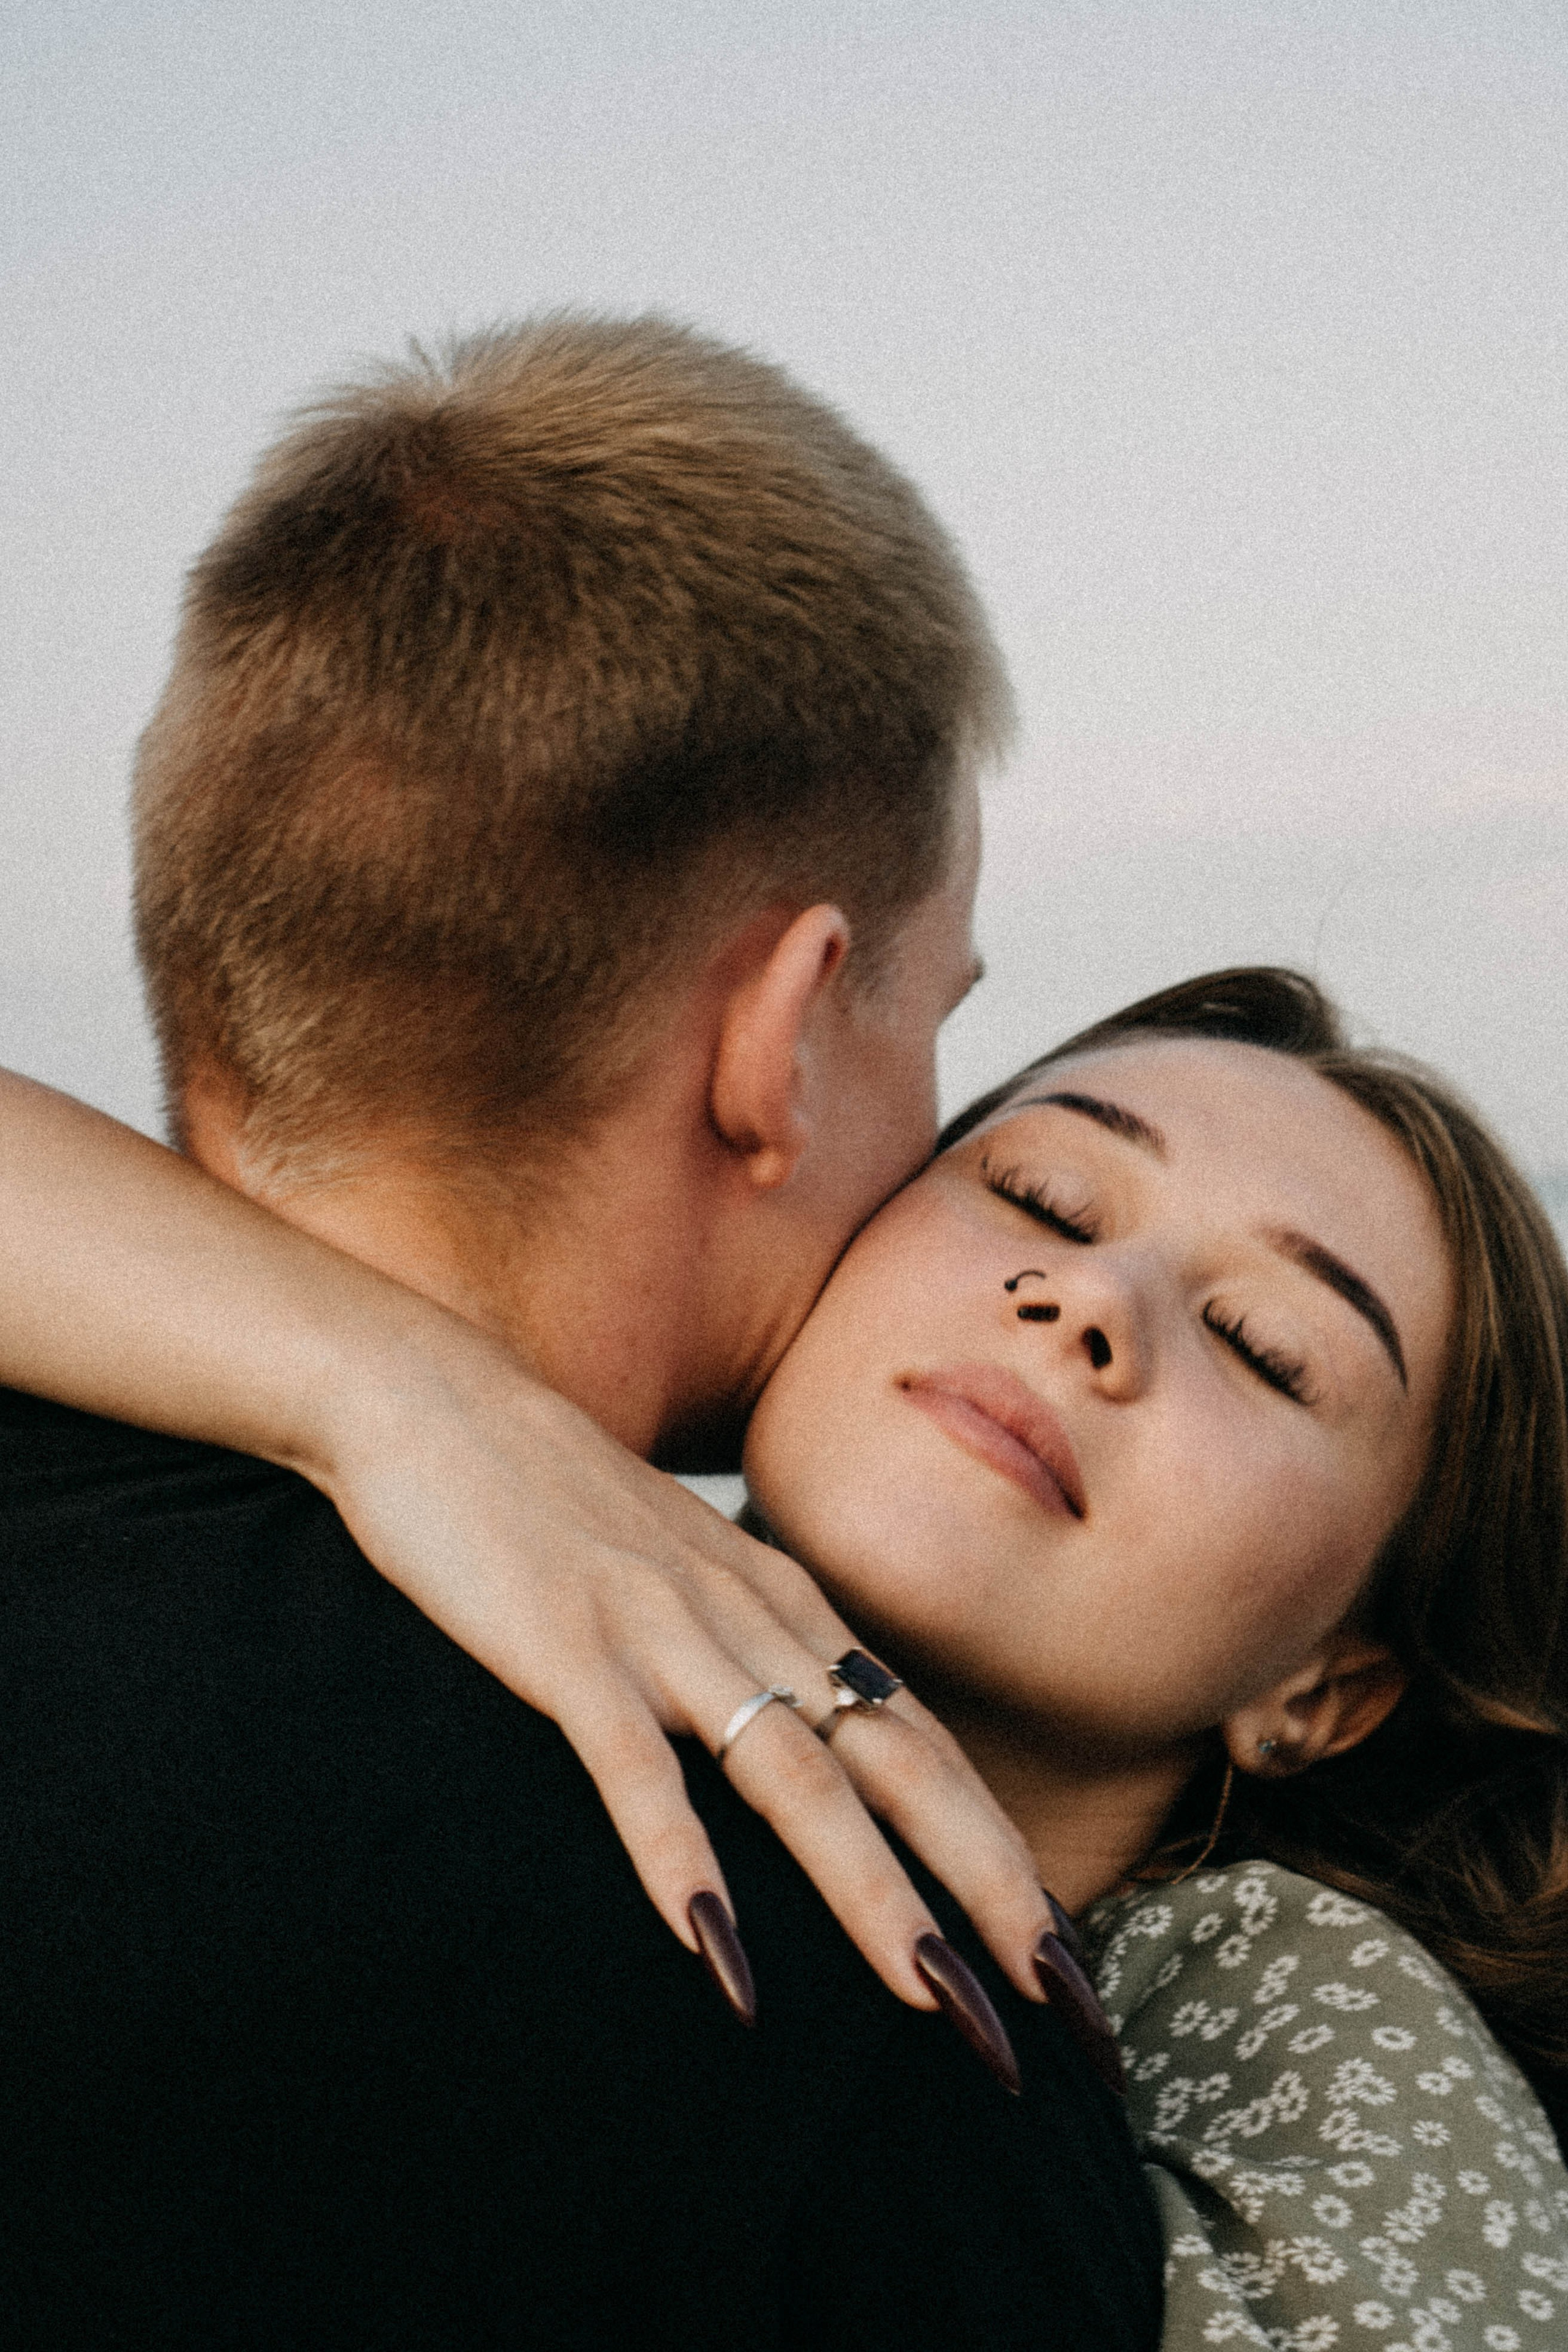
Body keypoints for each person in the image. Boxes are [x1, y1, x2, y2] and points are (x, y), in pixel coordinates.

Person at [0, 316, 1163, 2347]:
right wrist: (388, 1391)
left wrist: (376, 1389)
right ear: (781, 1034)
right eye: (935, 1014)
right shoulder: (867, 2000)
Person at [4, 962, 1566, 2352]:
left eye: (1261, 1348)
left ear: (1322, 1690)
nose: (1090, 1297)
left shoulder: (1324, 2032)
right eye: (1041, 1197)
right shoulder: (319, 1572)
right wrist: (400, 1394)